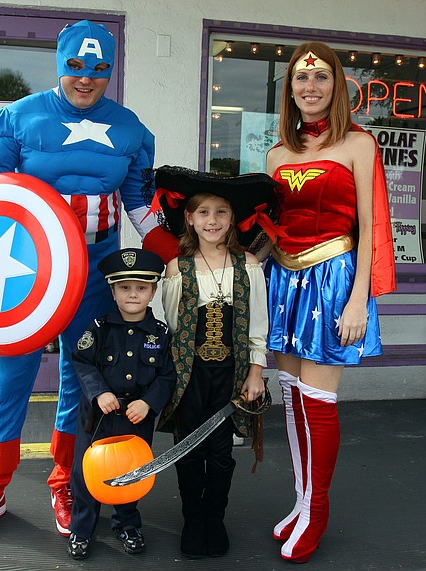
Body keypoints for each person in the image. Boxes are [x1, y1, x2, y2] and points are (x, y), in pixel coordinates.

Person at [0, 20, 158, 543]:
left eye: (99, 69)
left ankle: (66, 482)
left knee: (80, 378)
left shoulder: (130, 129)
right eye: (76, 67)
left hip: (94, 273)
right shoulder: (15, 120)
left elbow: (138, 203)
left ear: (110, 70)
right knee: (10, 376)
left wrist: (179, 254)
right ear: (61, 64)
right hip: (28, 273)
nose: (86, 79)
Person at [263, 42, 396, 563]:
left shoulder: (358, 144)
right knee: (291, 397)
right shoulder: (277, 154)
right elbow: (271, 227)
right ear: (290, 88)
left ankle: (317, 509)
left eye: (320, 77)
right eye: (300, 78)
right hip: (285, 282)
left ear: (336, 85)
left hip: (335, 281)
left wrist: (358, 298)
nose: (310, 86)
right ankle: (300, 500)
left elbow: (370, 226)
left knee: (317, 402)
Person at [152, 166, 279, 559]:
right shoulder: (176, 269)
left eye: (221, 212)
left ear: (232, 218)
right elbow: (172, 325)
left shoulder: (249, 266)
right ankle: (193, 519)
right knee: (190, 449)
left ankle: (214, 517)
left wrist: (256, 372)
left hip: (232, 375)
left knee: (222, 455)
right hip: (190, 375)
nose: (212, 220)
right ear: (189, 217)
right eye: (203, 212)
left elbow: (259, 324)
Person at [66, 247, 175, 560]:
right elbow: (82, 362)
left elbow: (167, 376)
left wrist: (147, 403)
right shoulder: (98, 329)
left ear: (152, 292)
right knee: (87, 475)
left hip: (136, 418)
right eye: (125, 288)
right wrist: (99, 392)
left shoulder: (161, 334)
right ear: (113, 291)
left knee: (131, 473)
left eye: (141, 288)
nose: (133, 294)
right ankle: (82, 528)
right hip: (98, 417)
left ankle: (127, 524)